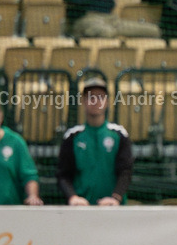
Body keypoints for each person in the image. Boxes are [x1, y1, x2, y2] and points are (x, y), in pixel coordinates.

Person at [56, 77, 134, 206]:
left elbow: (125, 171)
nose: (95, 101)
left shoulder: (119, 134)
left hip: (112, 208)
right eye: (90, 97)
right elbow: (63, 174)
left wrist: (115, 198)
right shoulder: (72, 136)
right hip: (81, 207)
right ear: (83, 101)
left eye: (100, 97)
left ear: (107, 102)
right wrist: (73, 197)